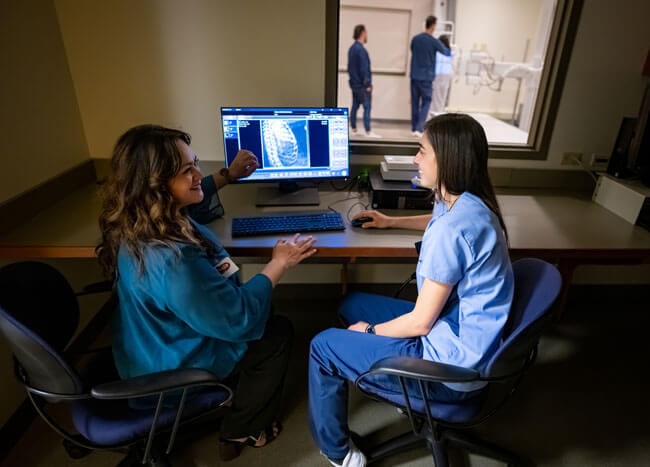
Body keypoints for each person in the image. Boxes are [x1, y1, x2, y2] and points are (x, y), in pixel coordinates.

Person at [97, 124, 317, 460]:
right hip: (172, 366)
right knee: (275, 332)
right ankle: (242, 428)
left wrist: (227, 176)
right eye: (187, 170)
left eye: (195, 163)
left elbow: (193, 208)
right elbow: (241, 319)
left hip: (149, 344)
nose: (198, 173)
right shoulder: (173, 260)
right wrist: (279, 264)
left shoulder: (139, 221)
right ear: (155, 185)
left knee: (264, 312)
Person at [309, 114, 513, 467]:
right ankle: (391, 381)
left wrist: (370, 331)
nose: (415, 159)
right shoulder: (471, 203)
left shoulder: (452, 232)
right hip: (461, 332)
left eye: (421, 151)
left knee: (323, 346)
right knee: (352, 303)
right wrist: (391, 221)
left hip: (449, 369)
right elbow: (438, 219)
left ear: (447, 159)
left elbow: (419, 323)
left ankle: (339, 453)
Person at [409, 16, 451, 137]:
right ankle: (419, 128)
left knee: (414, 102)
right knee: (426, 102)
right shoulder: (433, 41)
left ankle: (413, 128)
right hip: (426, 78)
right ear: (433, 25)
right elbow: (446, 52)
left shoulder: (415, 39)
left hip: (414, 76)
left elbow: (412, 50)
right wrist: (448, 45)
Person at [348, 24, 381, 138]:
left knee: (355, 106)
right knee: (367, 107)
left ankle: (353, 128)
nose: (367, 35)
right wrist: (367, 84)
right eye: (366, 32)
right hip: (362, 85)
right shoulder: (361, 50)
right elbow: (364, 68)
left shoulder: (352, 49)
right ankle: (368, 131)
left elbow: (350, 68)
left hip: (354, 84)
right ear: (362, 33)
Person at [430, 35, 454, 116]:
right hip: (446, 79)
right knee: (442, 100)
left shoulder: (438, 52)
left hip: (437, 78)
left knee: (434, 101)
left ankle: (434, 116)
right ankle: (439, 115)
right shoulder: (450, 52)